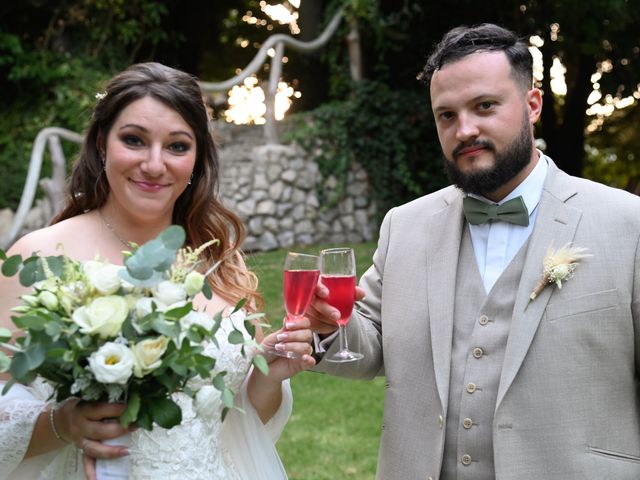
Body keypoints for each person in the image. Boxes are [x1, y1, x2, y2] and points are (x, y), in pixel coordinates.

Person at [308, 23, 640, 479]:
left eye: (484, 106)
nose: (465, 129)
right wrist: (331, 327)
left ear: (532, 104)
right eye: (447, 115)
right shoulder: (403, 226)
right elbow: (369, 344)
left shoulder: (627, 223)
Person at [0, 62, 315, 479]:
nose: (154, 164)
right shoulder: (41, 256)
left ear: (197, 158)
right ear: (101, 143)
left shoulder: (219, 261)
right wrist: (66, 423)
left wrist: (269, 379)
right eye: (134, 140)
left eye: (177, 146)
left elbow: (239, 417)